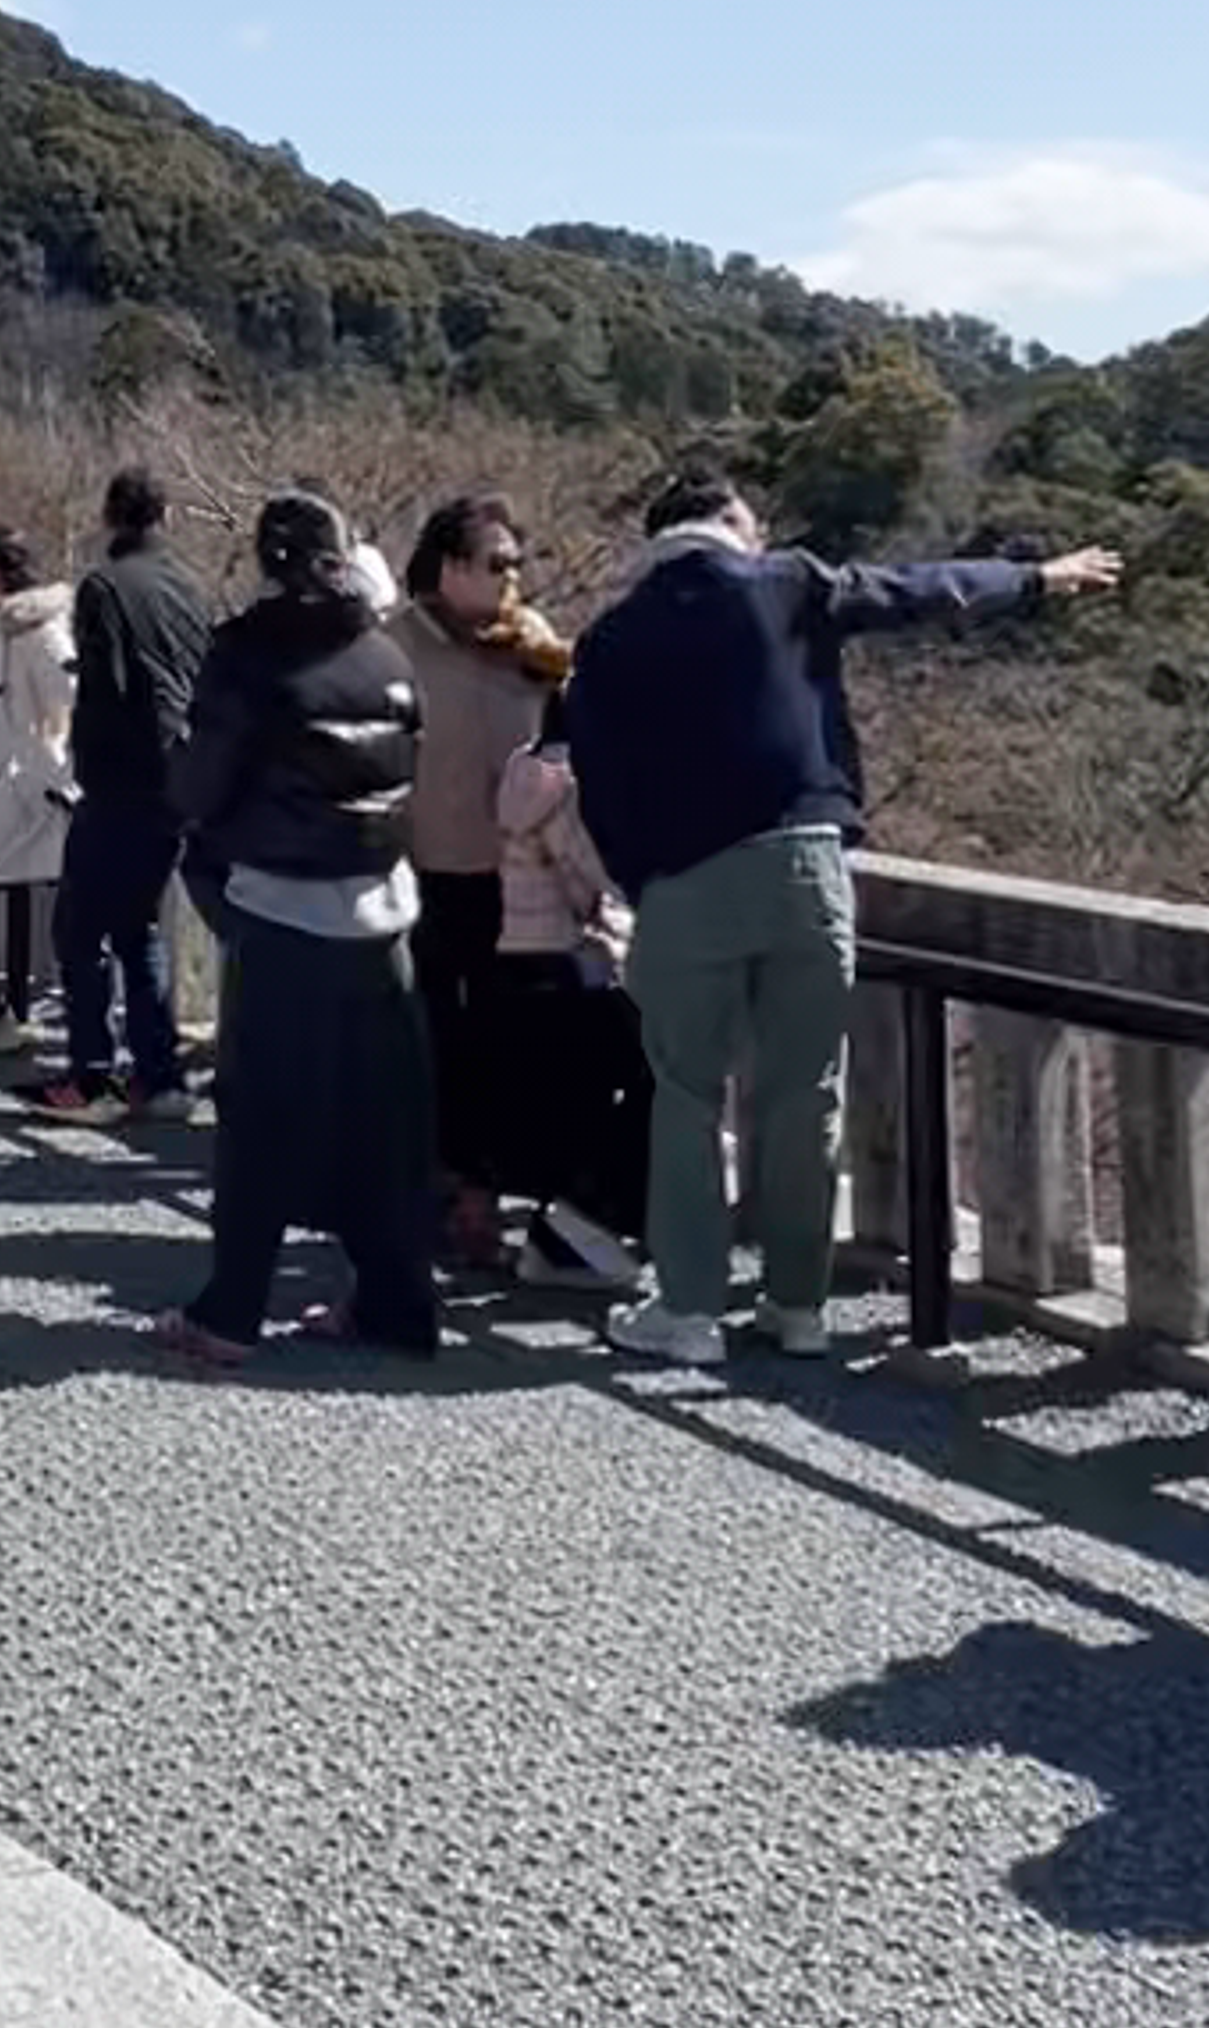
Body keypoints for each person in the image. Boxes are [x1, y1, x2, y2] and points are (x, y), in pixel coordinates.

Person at [562, 465, 1122, 1372]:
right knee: (803, 1092)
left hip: (682, 886)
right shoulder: (785, 581)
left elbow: (595, 776)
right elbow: (913, 590)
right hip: (803, 862)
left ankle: (691, 1310)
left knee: (687, 1097)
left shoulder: (612, 636)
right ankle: (797, 1307)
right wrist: (1036, 579)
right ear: (734, 521)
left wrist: (645, 879)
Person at [166, 487, 437, 1364]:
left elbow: (200, 782)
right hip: (386, 914)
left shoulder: (248, 653)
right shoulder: (389, 655)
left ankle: (229, 1312)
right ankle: (400, 1304)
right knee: (385, 1123)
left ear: (268, 559)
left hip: (285, 907)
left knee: (259, 1118)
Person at [392, 494, 573, 1270]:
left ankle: (495, 1198)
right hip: (425, 873)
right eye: (496, 562)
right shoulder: (392, 644)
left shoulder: (531, 647)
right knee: (433, 1040)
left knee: (518, 1046)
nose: (511, 578)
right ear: (450, 565)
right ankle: (440, 1192)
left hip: (524, 883)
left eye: (517, 563)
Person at [36, 468, 209, 1118]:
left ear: (111, 515)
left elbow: (104, 690)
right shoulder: (189, 587)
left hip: (120, 779)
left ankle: (92, 1075)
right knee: (141, 929)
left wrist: (84, 763)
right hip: (180, 776)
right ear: (165, 516)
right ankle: (159, 1075)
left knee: (79, 929)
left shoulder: (105, 587)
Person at [493, 699, 653, 1281]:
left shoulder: (524, 770)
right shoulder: (569, 788)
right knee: (658, 1073)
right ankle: (581, 1220)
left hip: (521, 956)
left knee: (576, 1101)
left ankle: (563, 1233)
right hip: (567, 960)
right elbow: (600, 875)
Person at [0, 526, 77, 1037]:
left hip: (23, 780)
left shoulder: (34, 628)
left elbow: (66, 695)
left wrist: (47, 763)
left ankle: (5, 1010)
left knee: (2, 892)